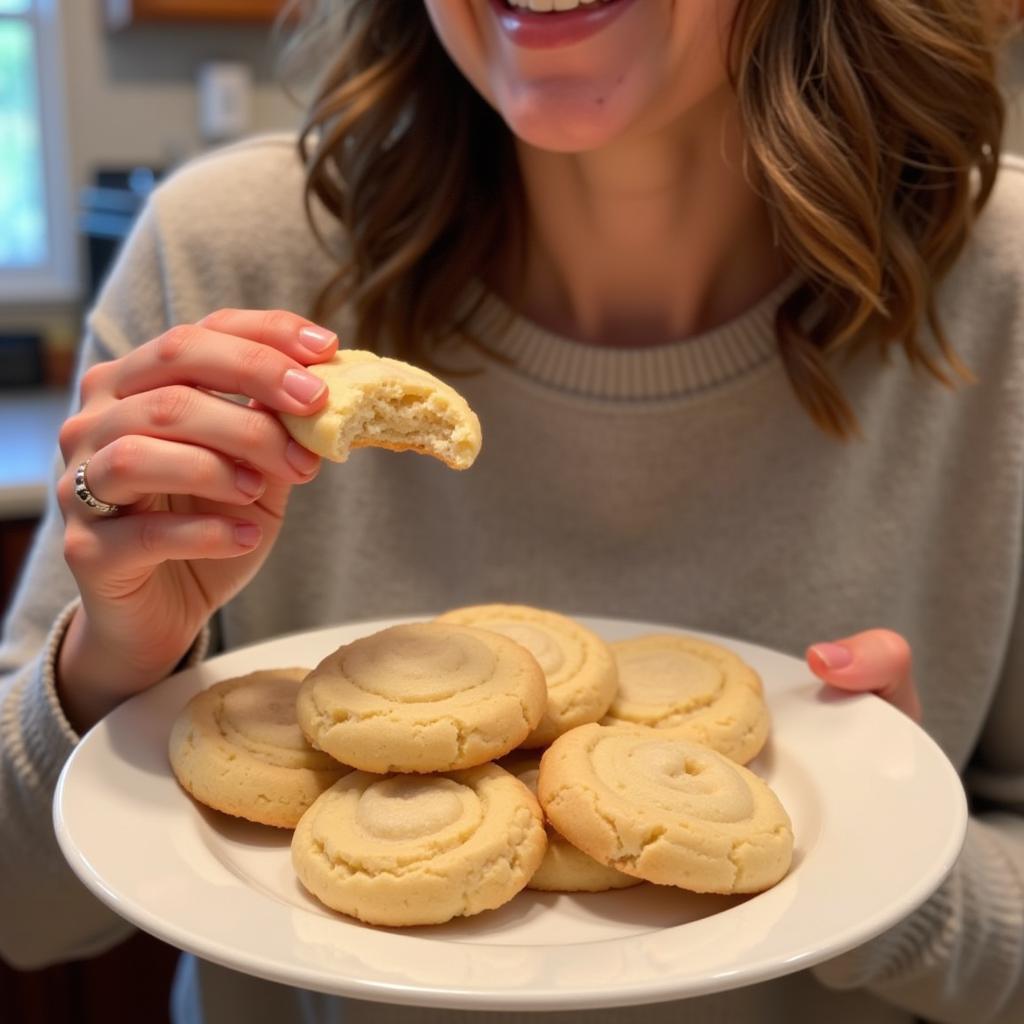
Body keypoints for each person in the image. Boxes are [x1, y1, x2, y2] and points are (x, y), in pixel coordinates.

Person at [2, 0, 1022, 1021]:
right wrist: (109, 669)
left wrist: (889, 868)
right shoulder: (231, 268)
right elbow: (21, 917)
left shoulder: (1002, 295)